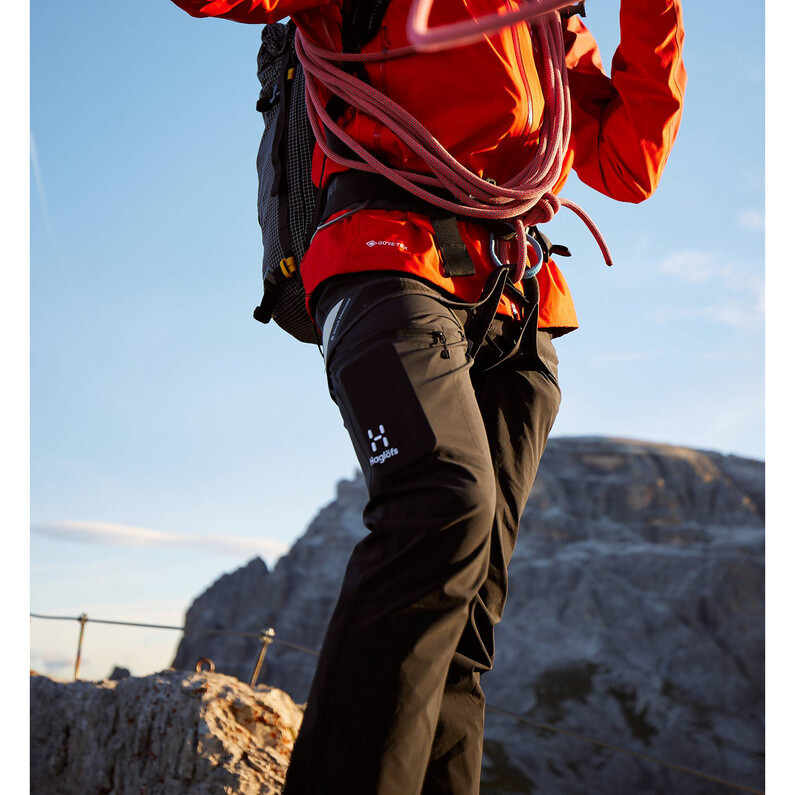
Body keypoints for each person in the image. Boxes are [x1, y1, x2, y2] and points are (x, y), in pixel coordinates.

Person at [169, 1, 686, 793]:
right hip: (385, 256)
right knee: (441, 507)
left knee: (468, 605)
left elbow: (628, 163)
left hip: (514, 301)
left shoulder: (551, 16)